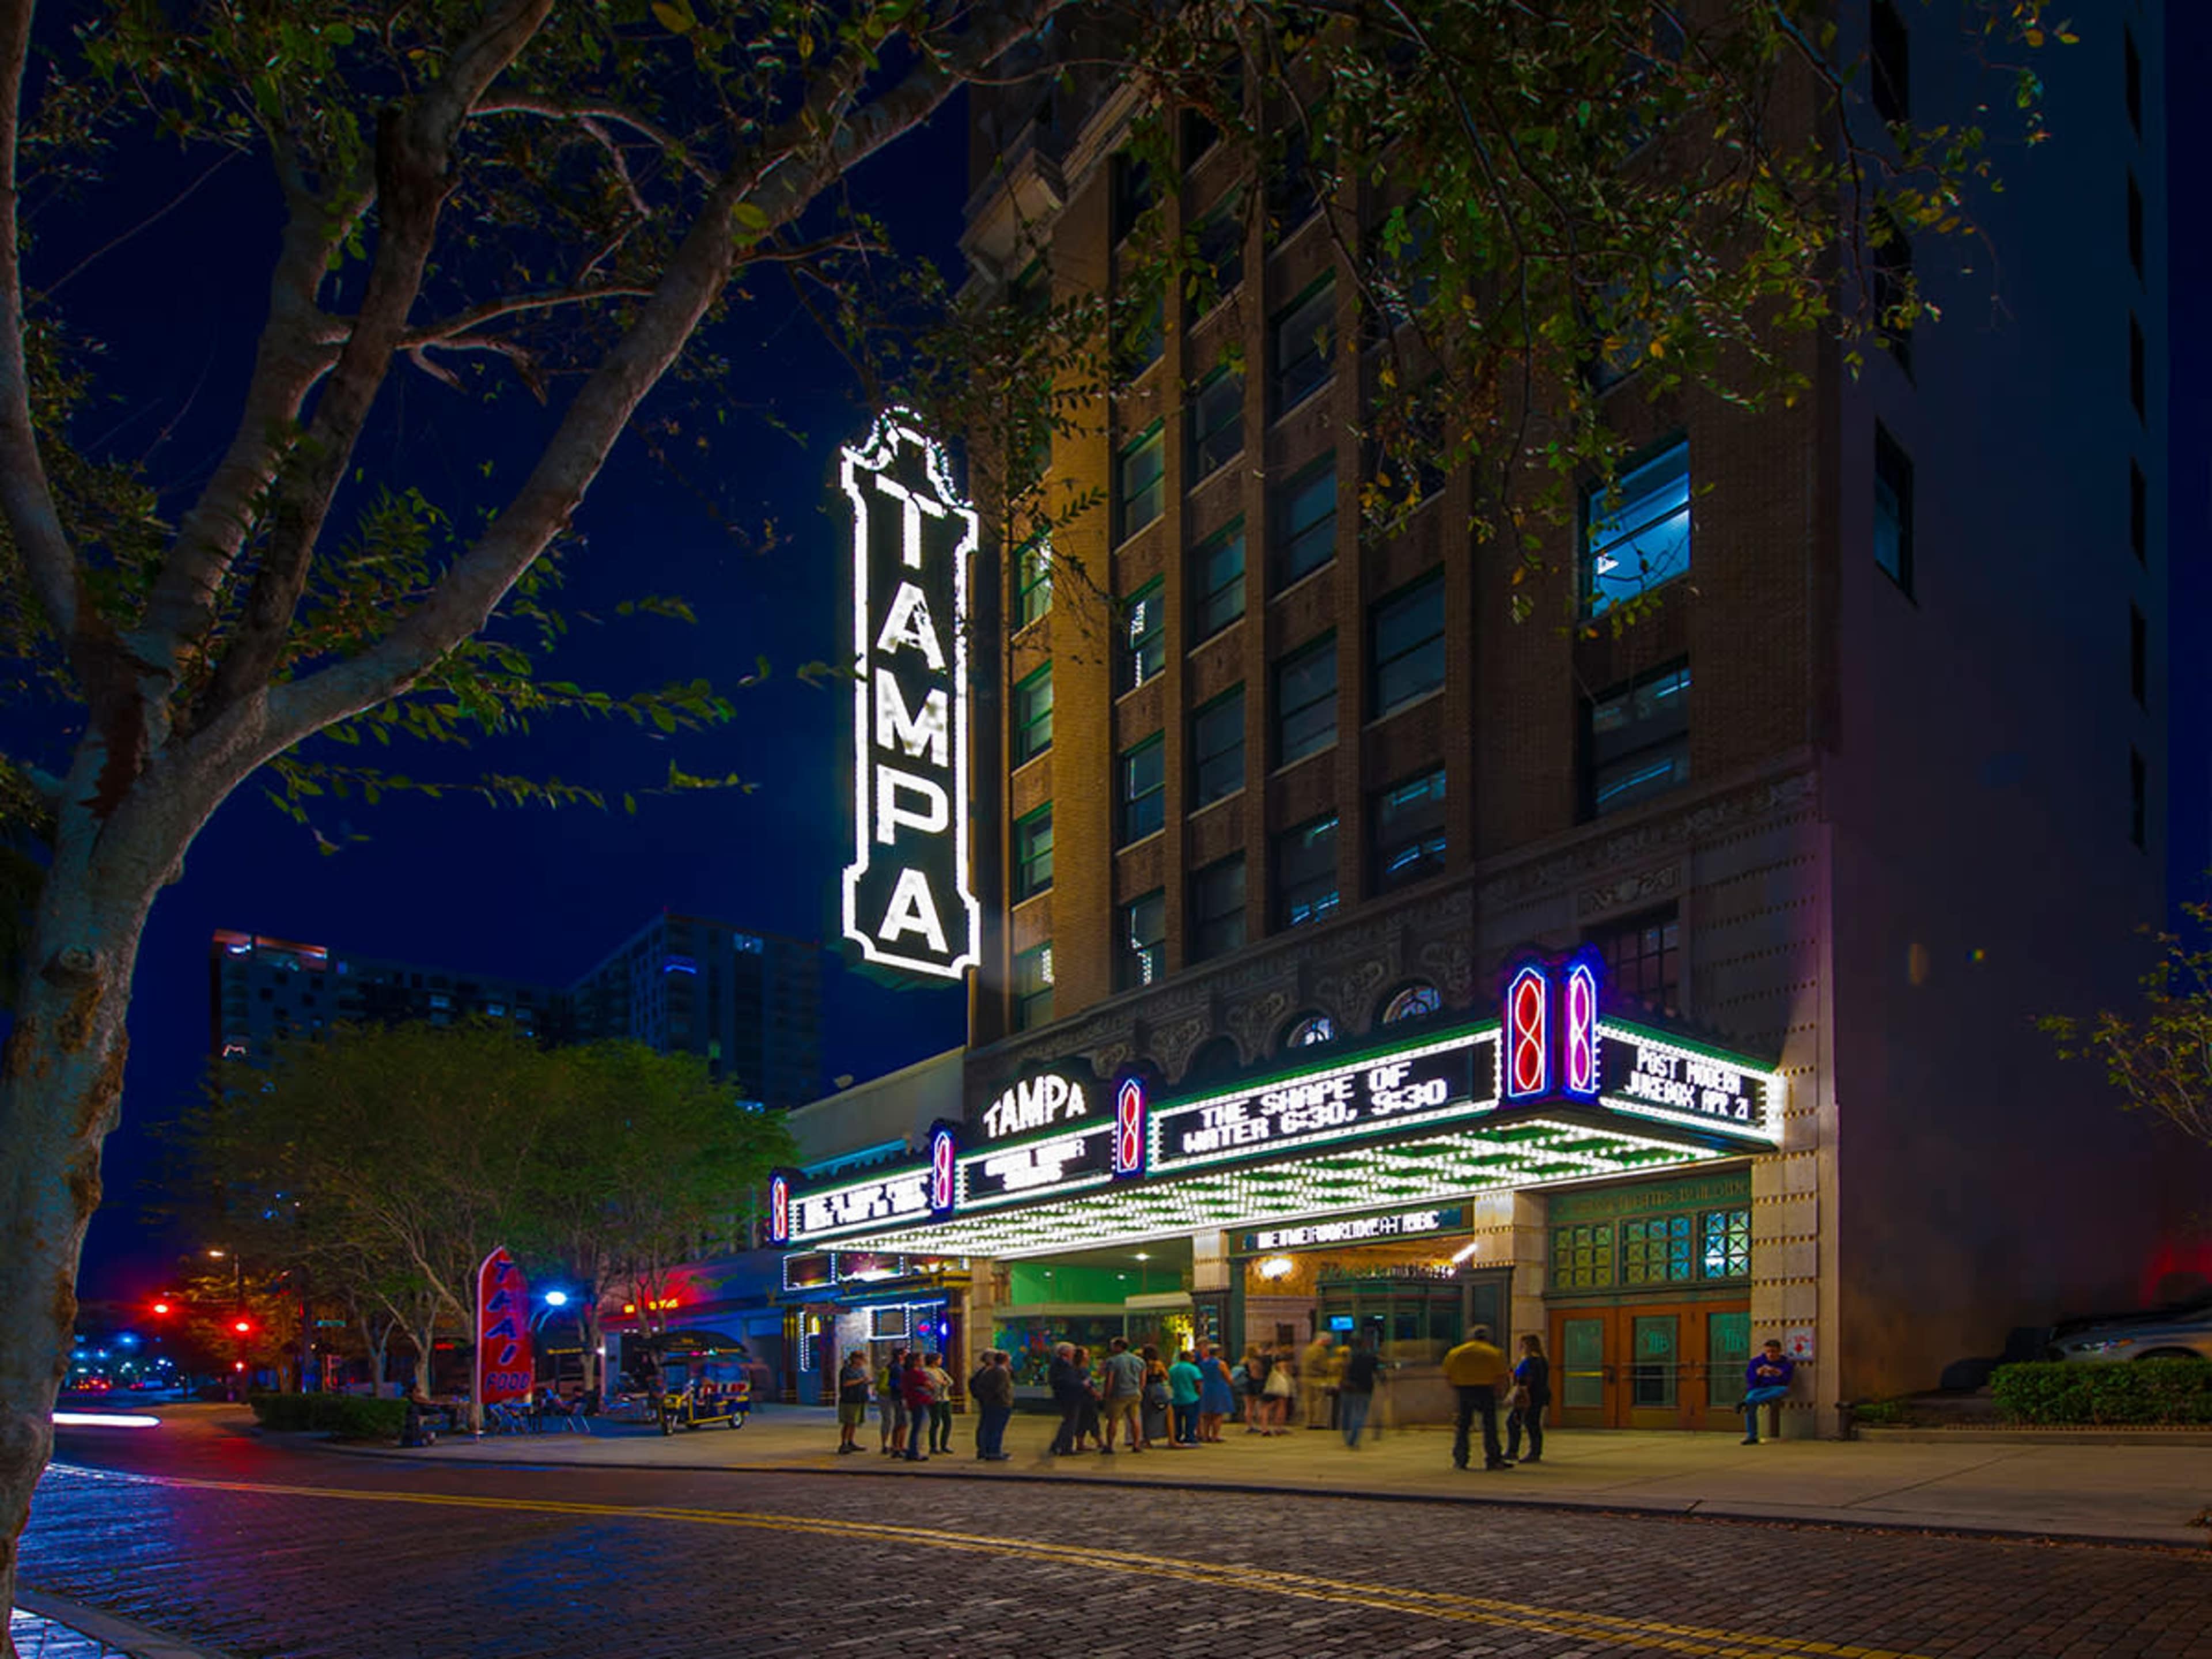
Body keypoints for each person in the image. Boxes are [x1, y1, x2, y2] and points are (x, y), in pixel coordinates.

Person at [1442, 1324, 1514, 1471]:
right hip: (1485, 1390)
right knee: (1490, 1427)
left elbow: (1447, 1375)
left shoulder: (1455, 1353)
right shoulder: (1494, 1353)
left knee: (1463, 1427)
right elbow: (1501, 1377)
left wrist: (1456, 1388)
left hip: (1464, 1390)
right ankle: (1493, 1459)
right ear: (1487, 1338)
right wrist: (1501, 1393)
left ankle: (1461, 1459)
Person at [1741, 1339, 1797, 1444]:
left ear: (1779, 1351)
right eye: (1768, 1352)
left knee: (1783, 1390)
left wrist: (1777, 1373)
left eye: (1774, 1352)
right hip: (1758, 1389)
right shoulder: (1756, 1362)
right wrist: (1758, 1374)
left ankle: (1749, 1402)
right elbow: (1750, 1380)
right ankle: (1752, 1435)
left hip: (1775, 1389)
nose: (1771, 1355)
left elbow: (1786, 1381)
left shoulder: (1786, 1364)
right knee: (1751, 1399)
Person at [1506, 1333, 1550, 1465]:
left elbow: (1526, 1378)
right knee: (1531, 1423)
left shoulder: (1530, 1361)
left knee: (1520, 1422)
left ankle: (1522, 1451)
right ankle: (1532, 1451)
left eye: (1523, 1345)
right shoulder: (1542, 1360)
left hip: (1528, 1395)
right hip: (1539, 1395)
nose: (1521, 1347)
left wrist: (1518, 1383)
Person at [1098, 1335, 1146, 1453]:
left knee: (1113, 1420)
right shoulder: (1139, 1361)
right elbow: (1143, 1379)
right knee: (1134, 1419)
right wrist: (1139, 1389)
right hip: (1134, 1393)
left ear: (1118, 1347)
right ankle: (1136, 1444)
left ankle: (1110, 1446)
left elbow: (1110, 1379)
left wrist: (1106, 1394)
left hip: (1118, 1394)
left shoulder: (1113, 1361)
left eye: (1113, 1345)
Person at [1338, 1334, 1382, 1448]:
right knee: (1360, 1414)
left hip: (1348, 1388)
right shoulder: (1370, 1356)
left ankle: (1347, 1438)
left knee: (1347, 1414)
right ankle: (1354, 1438)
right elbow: (1378, 1371)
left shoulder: (1345, 1357)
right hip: (1365, 1388)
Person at [969, 1349, 1014, 1461]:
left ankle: (989, 1450)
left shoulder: (992, 1371)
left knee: (991, 1428)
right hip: (998, 1404)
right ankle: (993, 1451)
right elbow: (998, 1389)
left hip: (992, 1403)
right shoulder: (999, 1371)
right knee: (995, 1429)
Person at [1047, 1342, 1084, 1456]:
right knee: (1070, 1422)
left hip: (1067, 1396)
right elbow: (1067, 1381)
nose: (1074, 1354)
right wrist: (1082, 1384)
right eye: (1072, 1351)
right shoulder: (1063, 1365)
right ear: (1066, 1352)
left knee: (1069, 1422)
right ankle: (1065, 1447)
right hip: (1068, 1397)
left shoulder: (1060, 1364)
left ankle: (1058, 1444)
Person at [1196, 1341, 1235, 1442]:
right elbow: (1229, 1378)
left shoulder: (1202, 1363)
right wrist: (1230, 1382)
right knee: (1218, 1413)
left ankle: (1205, 1436)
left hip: (1206, 1388)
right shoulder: (1221, 1364)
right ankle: (1215, 1436)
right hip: (1219, 1388)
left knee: (1206, 1414)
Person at [899, 1350, 934, 1461]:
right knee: (918, 1428)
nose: (923, 1362)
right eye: (921, 1360)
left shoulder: (907, 1374)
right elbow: (929, 1385)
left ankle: (913, 1451)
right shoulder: (916, 1374)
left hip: (913, 1401)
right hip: (919, 1402)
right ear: (916, 1362)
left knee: (916, 1427)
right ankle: (914, 1452)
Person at [835, 1351, 871, 1454]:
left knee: (854, 1423)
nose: (863, 1361)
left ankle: (851, 1441)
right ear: (855, 1359)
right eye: (861, 1359)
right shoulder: (847, 1370)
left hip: (859, 1398)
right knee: (848, 1422)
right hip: (849, 1400)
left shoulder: (860, 1370)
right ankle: (844, 1443)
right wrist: (861, 1380)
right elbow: (846, 1383)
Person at [1166, 1348, 1203, 1446]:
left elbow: (1169, 1382)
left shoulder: (1172, 1368)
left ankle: (1177, 1437)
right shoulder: (1193, 1368)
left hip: (1177, 1398)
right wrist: (1199, 1393)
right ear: (1189, 1358)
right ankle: (1190, 1438)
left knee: (1177, 1420)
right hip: (1191, 1397)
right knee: (1191, 1420)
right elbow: (1198, 1383)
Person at [877, 1347, 909, 1456]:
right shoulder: (897, 1368)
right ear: (900, 1356)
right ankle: (896, 1447)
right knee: (899, 1422)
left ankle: (899, 1446)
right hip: (897, 1397)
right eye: (906, 1354)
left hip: (896, 1396)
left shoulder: (899, 1367)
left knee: (901, 1422)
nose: (907, 1356)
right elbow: (896, 1384)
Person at [1301, 1331, 1336, 1429]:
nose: (1329, 1343)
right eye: (1329, 1341)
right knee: (1319, 1402)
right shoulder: (1321, 1350)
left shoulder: (1307, 1349)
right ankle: (1318, 1423)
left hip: (1306, 1378)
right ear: (1324, 1340)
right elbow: (1324, 1366)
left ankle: (1309, 1422)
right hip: (1317, 1379)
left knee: (1309, 1402)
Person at [1139, 1347, 1172, 1449]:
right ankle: (1171, 1438)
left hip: (1145, 1390)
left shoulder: (1141, 1364)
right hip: (1157, 1388)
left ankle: (1146, 1439)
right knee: (1168, 1412)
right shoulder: (1158, 1364)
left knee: (1146, 1415)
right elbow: (1166, 1376)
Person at [923, 1351, 956, 1453]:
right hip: (935, 1399)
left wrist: (944, 1383)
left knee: (948, 1422)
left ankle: (944, 1445)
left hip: (945, 1399)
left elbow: (950, 1382)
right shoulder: (927, 1371)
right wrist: (940, 1383)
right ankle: (933, 1446)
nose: (941, 1361)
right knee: (935, 1422)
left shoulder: (940, 1370)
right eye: (939, 1359)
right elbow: (934, 1384)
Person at [1241, 1344, 1270, 1433]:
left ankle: (1249, 1426)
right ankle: (1264, 1428)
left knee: (1249, 1407)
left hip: (1248, 1384)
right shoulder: (1260, 1361)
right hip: (1259, 1384)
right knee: (1263, 1407)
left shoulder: (1245, 1362)